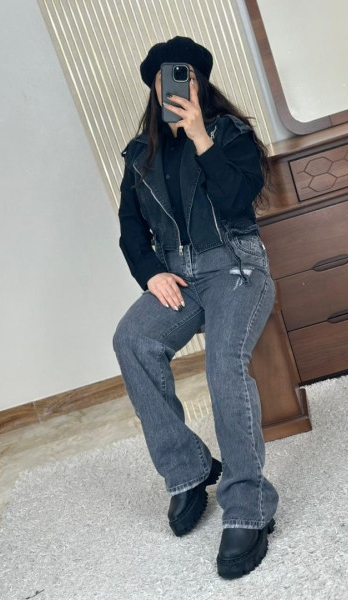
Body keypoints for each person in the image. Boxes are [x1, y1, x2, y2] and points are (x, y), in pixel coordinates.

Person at [113, 36, 278, 580]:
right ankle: (188, 471)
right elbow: (130, 229)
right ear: (154, 89)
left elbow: (238, 200)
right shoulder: (139, 155)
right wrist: (151, 272)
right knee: (133, 340)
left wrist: (202, 137)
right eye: (165, 79)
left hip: (236, 266)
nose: (175, 86)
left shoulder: (230, 134)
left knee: (222, 364)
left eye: (184, 75)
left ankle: (249, 505)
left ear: (201, 84)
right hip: (179, 277)